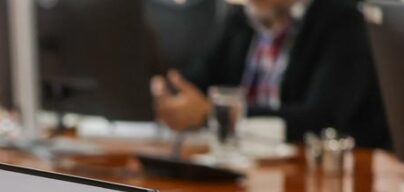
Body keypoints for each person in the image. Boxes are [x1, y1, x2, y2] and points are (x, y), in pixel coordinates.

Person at [151, 0, 390, 148]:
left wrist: (215, 114)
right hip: (245, 166)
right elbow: (200, 79)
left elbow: (322, 118)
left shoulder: (343, 21)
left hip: (320, 174)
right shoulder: (242, 19)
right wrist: (172, 94)